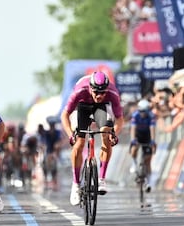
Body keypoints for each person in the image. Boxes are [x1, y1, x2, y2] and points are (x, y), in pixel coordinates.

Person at [61, 71, 123, 206]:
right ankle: (76, 184)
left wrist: (114, 134)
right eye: (96, 92)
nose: (99, 96)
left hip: (100, 109)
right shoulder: (80, 90)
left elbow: (119, 118)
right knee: (79, 143)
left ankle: (101, 178)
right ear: (90, 88)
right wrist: (70, 133)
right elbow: (65, 114)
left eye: (103, 93)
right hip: (82, 106)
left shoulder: (112, 93)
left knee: (106, 134)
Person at [129, 99, 156, 192]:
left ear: (147, 110)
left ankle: (148, 182)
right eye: (140, 111)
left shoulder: (151, 116)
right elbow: (133, 128)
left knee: (148, 160)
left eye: (144, 112)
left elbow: (152, 129)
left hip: (147, 135)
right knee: (133, 149)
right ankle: (134, 164)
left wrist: (152, 141)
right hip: (138, 134)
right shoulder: (135, 115)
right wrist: (133, 140)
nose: (142, 113)